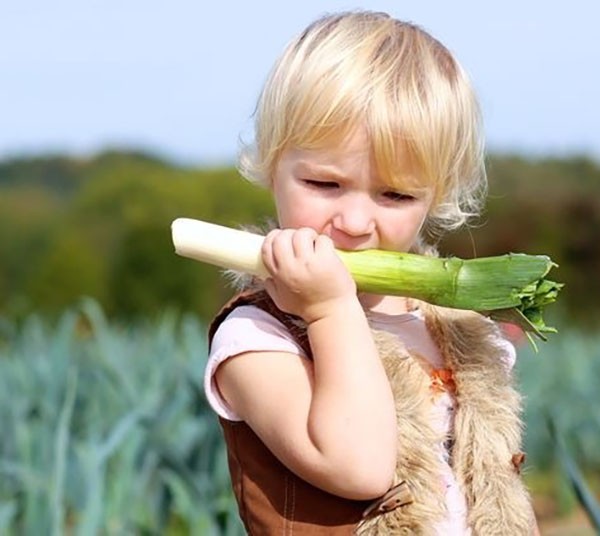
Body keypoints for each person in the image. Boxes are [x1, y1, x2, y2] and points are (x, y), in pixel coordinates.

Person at [204, 10, 540, 535]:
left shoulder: (457, 327)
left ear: (439, 194)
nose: (355, 223)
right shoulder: (257, 339)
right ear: (272, 164)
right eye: (324, 184)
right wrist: (328, 308)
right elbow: (357, 467)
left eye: (396, 194)